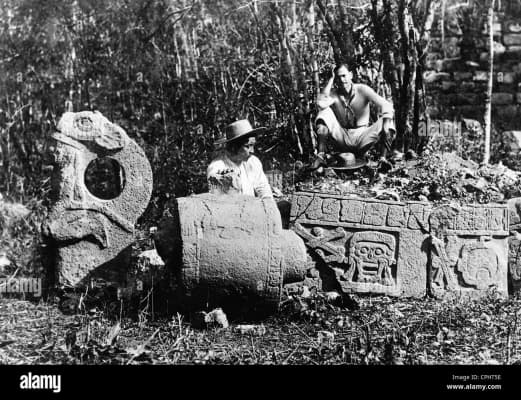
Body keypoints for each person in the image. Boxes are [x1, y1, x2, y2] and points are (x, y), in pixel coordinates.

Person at [312, 63, 396, 171]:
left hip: (362, 137)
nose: (342, 80)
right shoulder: (334, 94)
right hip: (342, 138)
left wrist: (385, 125)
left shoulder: (362, 90)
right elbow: (320, 103)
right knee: (324, 112)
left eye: (344, 76)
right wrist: (331, 79)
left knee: (388, 121)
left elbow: (386, 105)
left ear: (350, 75)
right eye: (338, 77)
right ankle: (320, 156)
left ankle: (382, 160)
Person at [207, 119, 273, 199]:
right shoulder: (217, 167)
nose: (252, 151)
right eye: (248, 146)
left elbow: (262, 186)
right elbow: (219, 198)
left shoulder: (253, 162)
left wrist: (267, 201)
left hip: (252, 206)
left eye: (253, 145)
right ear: (234, 147)